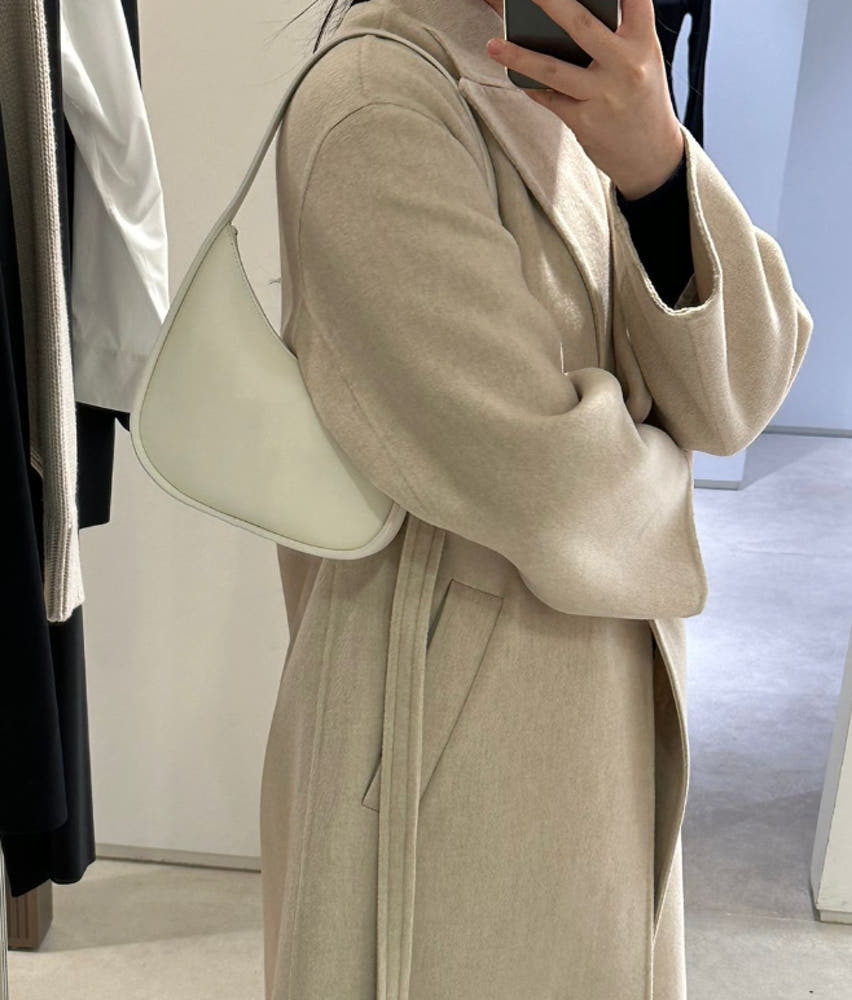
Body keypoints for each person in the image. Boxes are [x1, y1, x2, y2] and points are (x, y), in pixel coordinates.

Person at [260, 1, 813, 998]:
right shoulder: (376, 105)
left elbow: (738, 394)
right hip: (441, 736)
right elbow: (549, 485)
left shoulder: (588, 97)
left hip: (590, 715)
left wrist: (658, 168)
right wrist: (664, 461)